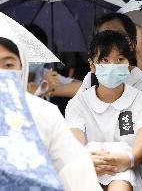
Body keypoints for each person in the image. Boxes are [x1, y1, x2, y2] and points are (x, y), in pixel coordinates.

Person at [0, 36, 103, 191]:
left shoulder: (43, 112)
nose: (2, 73)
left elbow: (74, 167)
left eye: (8, 64)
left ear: (22, 66)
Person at [65, 30, 142, 191]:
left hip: (130, 169)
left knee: (122, 180)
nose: (112, 66)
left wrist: (125, 160)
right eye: (105, 60)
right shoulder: (78, 104)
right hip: (88, 166)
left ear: (128, 64)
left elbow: (141, 148)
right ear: (92, 66)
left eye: (119, 59)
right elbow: (75, 144)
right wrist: (86, 160)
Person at [76, 13, 142, 111]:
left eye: (119, 36)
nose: (112, 44)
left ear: (132, 44)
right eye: (105, 38)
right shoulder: (90, 80)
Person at [25, 24, 82, 115]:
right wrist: (40, 90)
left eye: (38, 52)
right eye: (28, 51)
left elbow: (83, 88)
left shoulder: (44, 73)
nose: (33, 57)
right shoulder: (8, 75)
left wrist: (49, 89)